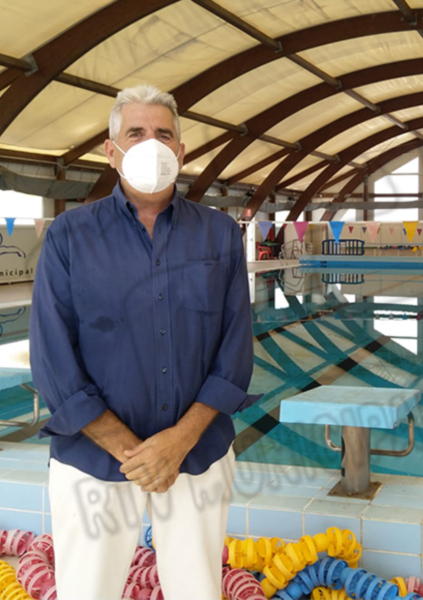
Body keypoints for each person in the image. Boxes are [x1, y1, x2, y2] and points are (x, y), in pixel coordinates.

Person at [29, 85, 260, 600]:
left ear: (180, 153)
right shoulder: (70, 235)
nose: (150, 143)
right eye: (135, 133)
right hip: (93, 457)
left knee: (197, 589)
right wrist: (132, 451)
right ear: (112, 152)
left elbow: (234, 350)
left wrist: (177, 443)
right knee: (88, 591)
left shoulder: (219, 234)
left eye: (163, 134)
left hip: (197, 454)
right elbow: (52, 357)